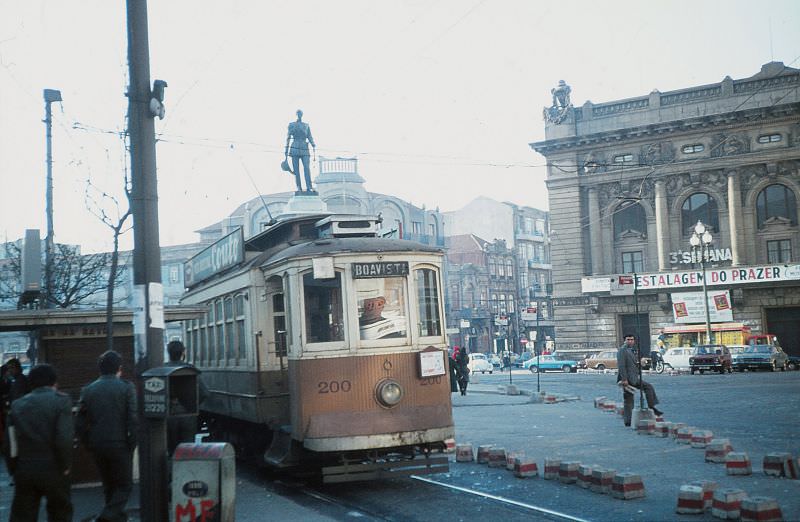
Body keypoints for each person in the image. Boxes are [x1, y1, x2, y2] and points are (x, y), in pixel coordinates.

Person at [7, 364, 74, 522]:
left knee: (23, 515)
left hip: (25, 468)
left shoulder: (17, 405)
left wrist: (13, 468)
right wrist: (65, 465)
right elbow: (64, 438)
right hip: (54, 468)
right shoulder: (61, 401)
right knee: (60, 512)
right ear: (54, 382)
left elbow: (10, 443)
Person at [77, 350, 137, 522]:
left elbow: (80, 423)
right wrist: (131, 444)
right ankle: (107, 516)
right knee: (125, 485)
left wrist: (88, 442)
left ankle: (116, 517)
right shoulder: (126, 388)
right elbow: (133, 419)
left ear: (100, 369)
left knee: (109, 485)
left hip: (97, 444)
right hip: (120, 444)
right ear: (119, 368)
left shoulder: (88, 390)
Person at [165, 340, 209, 453]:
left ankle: (170, 469)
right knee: (187, 451)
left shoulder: (163, 370)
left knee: (171, 449)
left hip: (169, 416)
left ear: (168, 352)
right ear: (183, 352)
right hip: (188, 415)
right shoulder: (191, 370)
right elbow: (205, 393)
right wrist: (193, 404)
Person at [617, 334, 663, 427]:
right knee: (629, 400)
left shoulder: (632, 350)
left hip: (634, 378)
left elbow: (633, 365)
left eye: (632, 339)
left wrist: (640, 364)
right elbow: (621, 366)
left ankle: (651, 406)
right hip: (627, 379)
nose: (630, 341)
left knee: (648, 387)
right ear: (624, 341)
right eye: (628, 339)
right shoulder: (622, 350)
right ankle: (628, 421)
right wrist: (624, 379)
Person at [284, 109, 316, 193]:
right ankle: (299, 187)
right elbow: (288, 138)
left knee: (306, 168)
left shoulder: (306, 125)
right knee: (296, 169)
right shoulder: (292, 125)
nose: (299, 115)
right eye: (298, 113)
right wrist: (286, 151)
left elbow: (309, 136)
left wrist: (313, 144)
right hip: (294, 147)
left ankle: (309, 187)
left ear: (302, 114)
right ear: (296, 114)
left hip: (304, 147)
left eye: (300, 113)